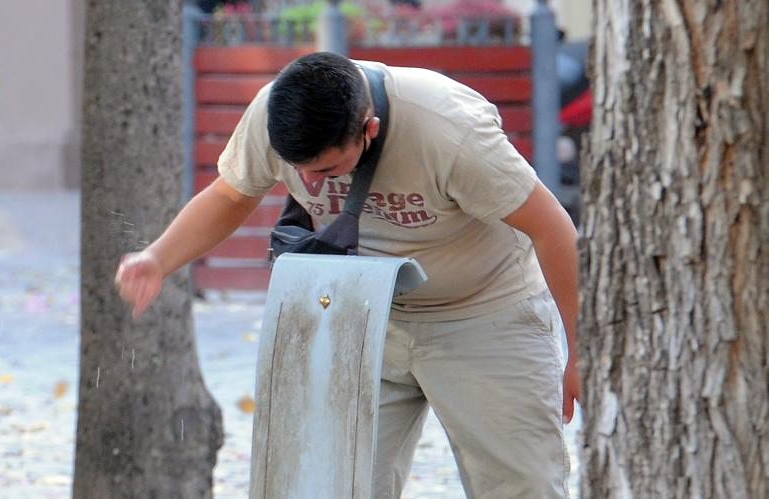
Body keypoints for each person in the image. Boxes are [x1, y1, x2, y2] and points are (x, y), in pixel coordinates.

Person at [116, 51, 580, 498]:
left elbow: (553, 228)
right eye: (297, 170)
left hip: (484, 316)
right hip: (364, 315)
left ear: (369, 130)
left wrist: (581, 354)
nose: (309, 183)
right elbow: (231, 196)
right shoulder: (272, 115)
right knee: (335, 483)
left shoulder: (449, 130)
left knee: (522, 488)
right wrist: (158, 259)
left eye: (325, 169)